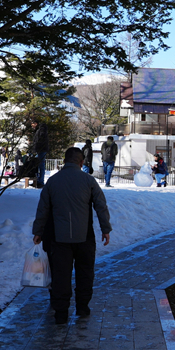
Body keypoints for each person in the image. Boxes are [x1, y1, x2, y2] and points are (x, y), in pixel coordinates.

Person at [32, 147, 111, 324]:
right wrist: (105, 229)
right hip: (84, 237)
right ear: (81, 162)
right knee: (85, 272)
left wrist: (38, 231)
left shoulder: (53, 181)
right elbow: (101, 206)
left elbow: (42, 209)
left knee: (60, 274)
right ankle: (82, 307)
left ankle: (61, 312)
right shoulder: (89, 181)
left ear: (64, 160)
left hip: (59, 238)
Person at [30, 119, 49, 189]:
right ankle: (38, 181)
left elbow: (40, 140)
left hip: (41, 150)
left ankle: (40, 181)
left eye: (33, 124)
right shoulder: (40, 130)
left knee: (41, 166)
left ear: (36, 123)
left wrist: (37, 148)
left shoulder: (41, 130)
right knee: (38, 166)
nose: (32, 126)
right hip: (40, 150)